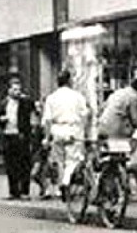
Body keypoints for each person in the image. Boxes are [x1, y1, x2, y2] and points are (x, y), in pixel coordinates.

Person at [41, 69, 89, 200]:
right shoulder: (78, 96)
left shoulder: (51, 98)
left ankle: (61, 184)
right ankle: (66, 182)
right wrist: (84, 131)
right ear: (69, 81)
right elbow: (85, 115)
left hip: (57, 130)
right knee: (73, 159)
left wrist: (46, 138)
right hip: (73, 129)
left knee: (59, 161)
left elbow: (47, 120)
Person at [0, 74, 35, 199]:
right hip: (8, 135)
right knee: (10, 165)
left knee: (24, 164)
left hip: (21, 136)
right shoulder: (4, 103)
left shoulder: (25, 102)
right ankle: (13, 191)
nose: (17, 92)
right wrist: (1, 120)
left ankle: (25, 191)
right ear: (9, 90)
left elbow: (34, 108)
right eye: (14, 89)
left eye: (19, 89)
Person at [98, 76, 137, 141]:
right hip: (116, 133)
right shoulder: (133, 97)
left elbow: (102, 108)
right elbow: (136, 121)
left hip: (102, 128)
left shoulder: (119, 92)